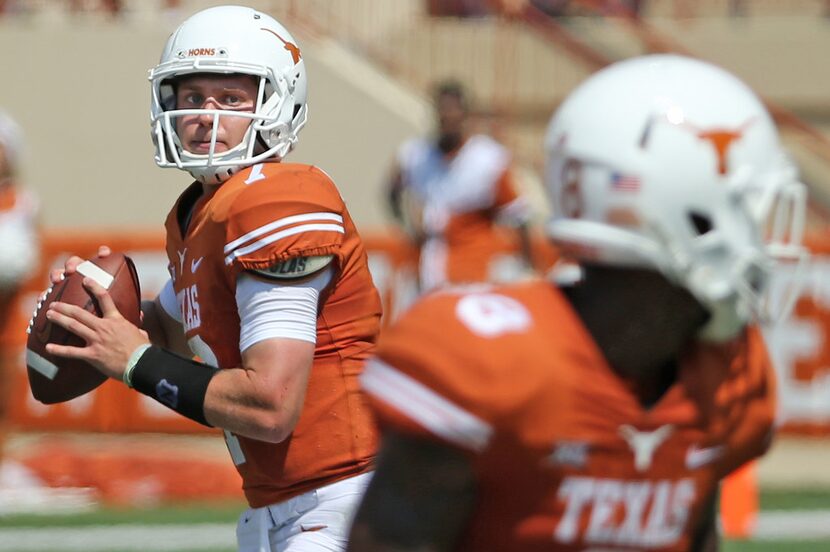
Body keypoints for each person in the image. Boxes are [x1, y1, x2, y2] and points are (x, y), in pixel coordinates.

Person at [348, 55, 808, 551]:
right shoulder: (483, 359)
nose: (764, 238)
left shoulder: (727, 374)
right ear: (668, 207)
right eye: (745, 209)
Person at [43, 6, 382, 551]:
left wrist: (131, 360)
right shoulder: (202, 216)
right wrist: (98, 308)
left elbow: (270, 405)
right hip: (287, 508)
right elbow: (172, 333)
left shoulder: (277, 203)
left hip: (344, 502)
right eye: (192, 97)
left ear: (277, 104)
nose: (205, 114)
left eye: (230, 99)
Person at [387, 80, 535, 292]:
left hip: (470, 277)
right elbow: (392, 190)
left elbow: (519, 216)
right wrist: (407, 226)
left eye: (453, 113)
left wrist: (526, 266)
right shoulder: (416, 155)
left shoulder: (487, 160)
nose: (448, 119)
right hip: (425, 272)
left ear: (466, 117)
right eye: (443, 112)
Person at [0, 110, 39, 475]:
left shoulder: (23, 202)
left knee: (4, 388)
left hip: (6, 312)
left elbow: (29, 254)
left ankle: (3, 458)